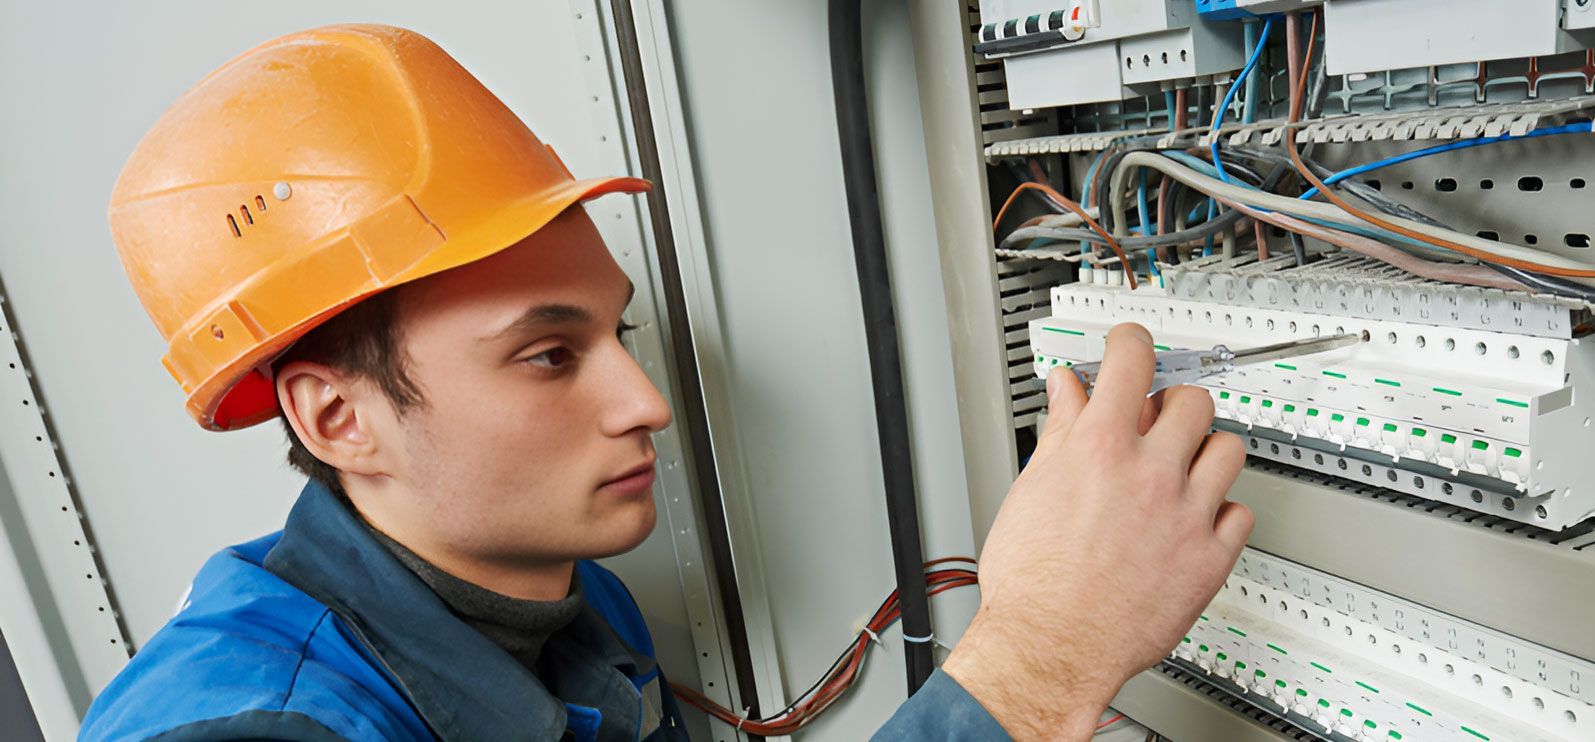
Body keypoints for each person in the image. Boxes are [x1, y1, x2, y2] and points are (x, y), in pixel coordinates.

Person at [81, 24, 1249, 741]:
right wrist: (1033, 667)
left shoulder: (572, 608)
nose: (643, 401)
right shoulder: (255, 724)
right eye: (548, 354)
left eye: (614, 335)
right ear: (338, 416)